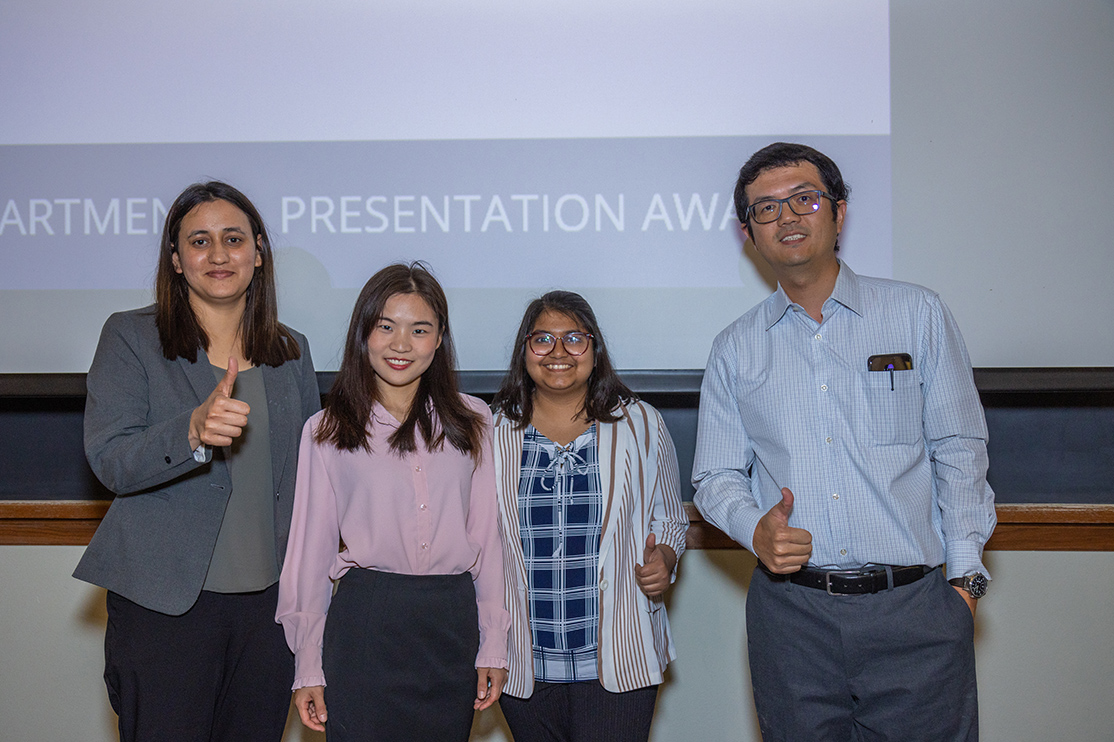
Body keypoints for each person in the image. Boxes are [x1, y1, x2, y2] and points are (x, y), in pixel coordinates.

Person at [692, 142, 996, 741]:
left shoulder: (918, 315)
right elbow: (714, 478)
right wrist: (756, 527)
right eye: (766, 209)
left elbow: (960, 448)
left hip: (916, 612)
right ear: (748, 232)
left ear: (839, 211)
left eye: (804, 199)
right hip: (792, 619)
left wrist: (966, 587)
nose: (787, 217)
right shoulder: (735, 348)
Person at [73, 181, 321, 741]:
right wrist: (190, 430)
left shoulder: (292, 352)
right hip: (167, 611)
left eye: (233, 239)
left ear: (258, 252)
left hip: (269, 615)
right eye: (199, 241)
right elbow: (110, 459)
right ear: (177, 260)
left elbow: (311, 480)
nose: (217, 254)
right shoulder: (131, 337)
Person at [276, 262, 509, 741]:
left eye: (419, 329)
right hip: (367, 623)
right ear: (364, 332)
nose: (401, 344)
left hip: (451, 623)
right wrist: (308, 668)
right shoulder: (326, 431)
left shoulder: (475, 420)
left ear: (439, 338)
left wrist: (493, 646)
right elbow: (309, 556)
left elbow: (488, 540)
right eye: (386, 326)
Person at [490, 290, 688, 742]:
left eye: (574, 339)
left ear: (595, 352)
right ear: (524, 353)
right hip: (522, 662)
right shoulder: (491, 430)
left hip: (619, 657)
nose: (558, 352)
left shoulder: (641, 424)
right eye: (542, 339)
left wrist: (667, 561)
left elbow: (672, 520)